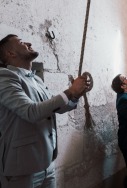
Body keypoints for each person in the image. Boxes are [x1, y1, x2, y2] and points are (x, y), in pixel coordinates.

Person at [0, 34, 91, 188]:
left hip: (46, 163)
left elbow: (56, 107)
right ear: (10, 53)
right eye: (21, 42)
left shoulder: (36, 79)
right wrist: (69, 91)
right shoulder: (5, 77)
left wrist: (75, 95)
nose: (28, 42)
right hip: (22, 168)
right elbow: (31, 112)